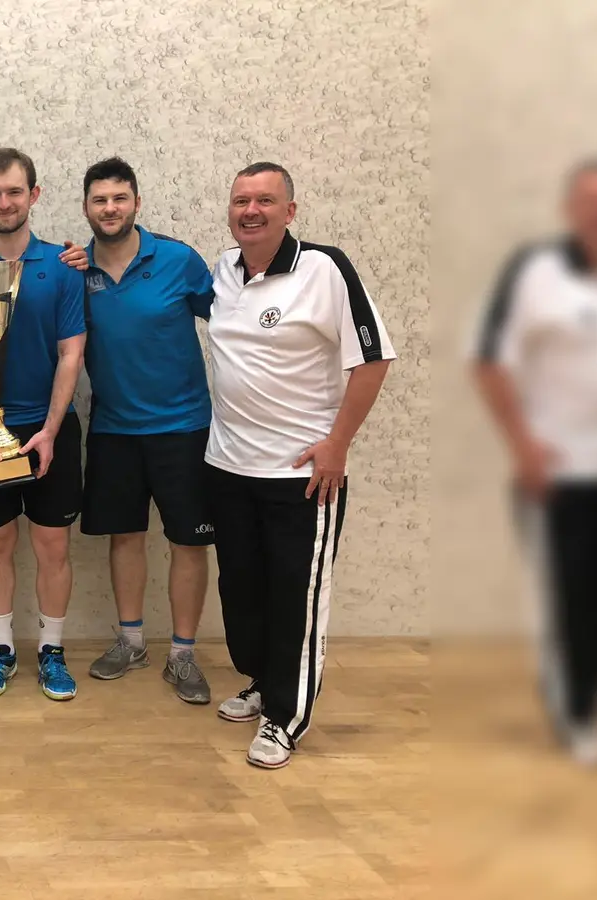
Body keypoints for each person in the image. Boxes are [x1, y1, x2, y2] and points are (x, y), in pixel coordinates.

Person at [205, 162, 395, 770]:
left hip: (301, 476)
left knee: (296, 598)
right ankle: (264, 681)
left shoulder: (324, 268)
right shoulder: (222, 272)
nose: (251, 211)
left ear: (290, 211)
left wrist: (338, 443)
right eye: (241, 201)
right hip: (229, 468)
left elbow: (372, 360)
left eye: (265, 200)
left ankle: (286, 718)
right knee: (243, 593)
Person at [472, 158, 597, 767]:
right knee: (573, 602)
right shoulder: (534, 272)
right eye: (594, 203)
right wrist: (524, 447)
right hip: (559, 474)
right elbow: (491, 362)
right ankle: (577, 711)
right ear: (572, 211)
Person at [54, 157, 217, 705]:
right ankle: (130, 642)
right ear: (86, 208)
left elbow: (234, 326)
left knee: (187, 542)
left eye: (119, 198)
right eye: (99, 200)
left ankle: (183, 653)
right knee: (125, 536)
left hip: (184, 428)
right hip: (114, 432)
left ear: (136, 203)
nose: (110, 208)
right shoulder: (74, 271)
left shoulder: (179, 261)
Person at [0, 148, 85, 701]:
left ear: (34, 196)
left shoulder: (63, 268)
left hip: (50, 433)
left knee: (53, 547)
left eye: (15, 191)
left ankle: (52, 650)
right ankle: (1, 649)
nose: (5, 202)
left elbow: (71, 355)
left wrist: (49, 431)